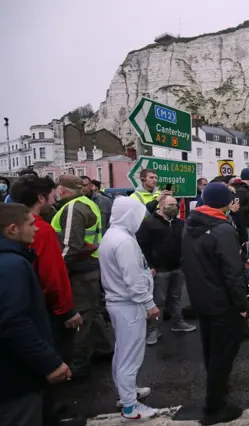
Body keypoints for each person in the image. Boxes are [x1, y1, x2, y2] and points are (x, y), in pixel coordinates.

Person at [9, 176, 84, 425]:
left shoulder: (15, 228)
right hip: (45, 312)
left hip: (32, 308)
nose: (55, 199)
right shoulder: (40, 229)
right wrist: (67, 310)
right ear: (41, 198)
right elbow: (54, 275)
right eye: (52, 195)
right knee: (51, 367)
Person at [182, 183, 248, 425]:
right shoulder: (223, 230)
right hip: (222, 302)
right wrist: (241, 305)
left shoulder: (190, 226)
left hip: (201, 299)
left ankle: (217, 391)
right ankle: (214, 407)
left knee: (210, 350)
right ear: (225, 203)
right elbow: (233, 273)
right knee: (223, 354)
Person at [0, 203, 71, 426]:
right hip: (16, 379)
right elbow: (13, 322)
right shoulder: (10, 265)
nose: (37, 229)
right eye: (30, 224)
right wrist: (49, 362)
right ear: (12, 229)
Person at [99, 197, 159, 421]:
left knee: (122, 352)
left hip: (120, 302)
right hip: (128, 304)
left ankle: (126, 392)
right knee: (130, 356)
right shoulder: (123, 241)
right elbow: (132, 279)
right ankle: (130, 406)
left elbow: (131, 271)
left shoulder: (114, 236)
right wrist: (148, 303)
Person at [51, 175, 113, 378]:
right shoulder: (87, 203)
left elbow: (70, 246)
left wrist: (56, 272)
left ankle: (79, 365)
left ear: (62, 190)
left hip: (79, 269)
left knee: (82, 319)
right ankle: (104, 349)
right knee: (92, 313)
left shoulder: (73, 209)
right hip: (90, 267)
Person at [137, 194, 196, 346]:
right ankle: (154, 329)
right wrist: (149, 266)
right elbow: (143, 247)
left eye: (175, 204)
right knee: (159, 301)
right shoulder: (149, 224)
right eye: (170, 204)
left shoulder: (179, 223)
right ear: (161, 206)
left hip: (177, 267)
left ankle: (178, 322)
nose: (174, 207)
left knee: (176, 297)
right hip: (159, 269)